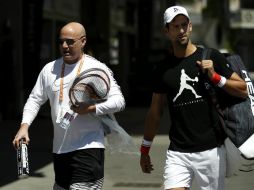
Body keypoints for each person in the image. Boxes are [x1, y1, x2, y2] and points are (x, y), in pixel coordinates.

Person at [139, 5, 247, 190]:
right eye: (175, 26)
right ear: (167, 31)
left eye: (184, 25)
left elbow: (242, 89)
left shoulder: (211, 56)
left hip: (211, 151)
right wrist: (145, 149)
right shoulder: (162, 69)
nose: (181, 30)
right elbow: (155, 112)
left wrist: (215, 77)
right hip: (177, 153)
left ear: (190, 26)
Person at [13, 22, 125, 190]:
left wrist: (91, 108)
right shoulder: (50, 69)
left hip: (89, 148)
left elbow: (119, 101)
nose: (64, 46)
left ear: (83, 41)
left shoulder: (97, 69)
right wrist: (24, 126)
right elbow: (35, 99)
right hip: (60, 150)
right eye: (61, 42)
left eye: (70, 41)